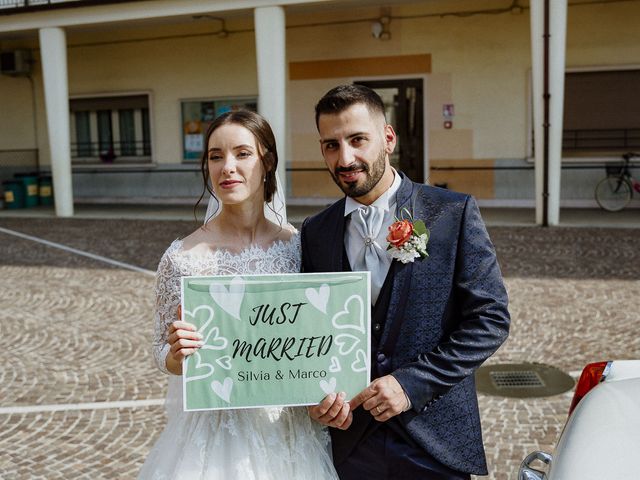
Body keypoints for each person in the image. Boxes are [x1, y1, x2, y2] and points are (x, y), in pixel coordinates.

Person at [302, 85, 511, 480]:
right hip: (350, 444)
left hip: (433, 439)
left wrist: (411, 384)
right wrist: (314, 397)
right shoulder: (316, 232)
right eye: (331, 145)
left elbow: (490, 319)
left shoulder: (451, 213)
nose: (345, 158)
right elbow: (310, 332)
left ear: (388, 138)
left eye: (357, 139)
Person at [138, 110, 339, 480]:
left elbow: (319, 337)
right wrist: (177, 356)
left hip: (291, 431)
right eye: (216, 156)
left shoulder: (299, 247)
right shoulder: (183, 258)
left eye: (242, 153)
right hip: (218, 437)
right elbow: (158, 349)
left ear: (268, 162)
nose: (227, 167)